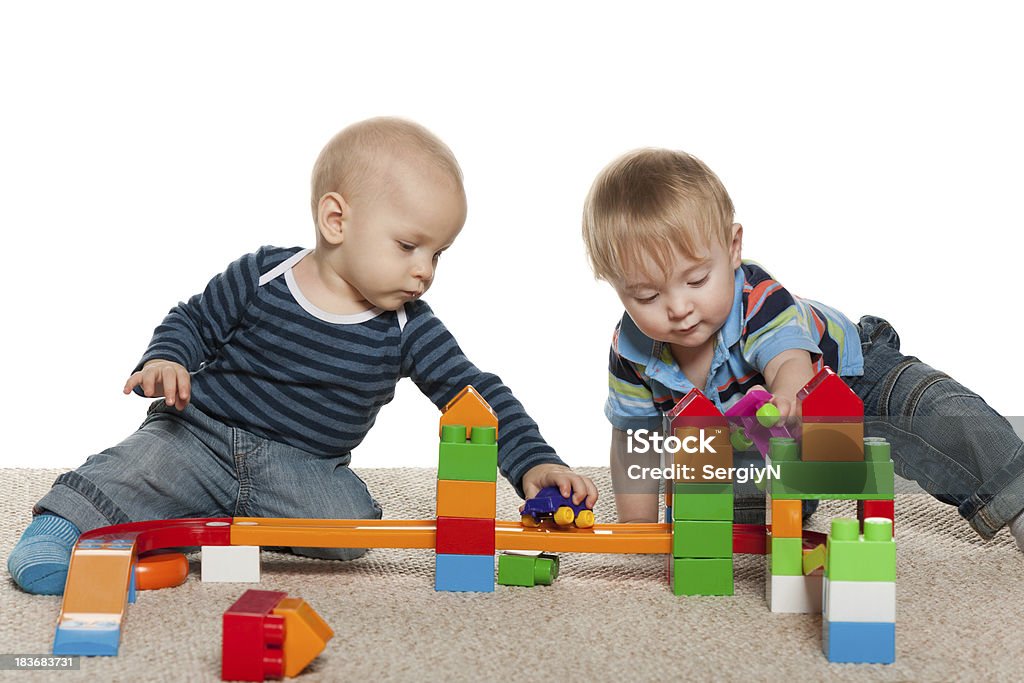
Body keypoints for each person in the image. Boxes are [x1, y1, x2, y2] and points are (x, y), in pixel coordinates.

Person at [7, 117, 598, 595]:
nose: (425, 270)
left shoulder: (407, 326)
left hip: (301, 465)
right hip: (200, 435)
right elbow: (192, 318)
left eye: (439, 253)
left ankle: (213, 526)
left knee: (355, 533)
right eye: (408, 245)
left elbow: (475, 392)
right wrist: (168, 361)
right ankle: (52, 535)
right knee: (135, 468)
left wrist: (534, 463)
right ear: (336, 219)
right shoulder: (263, 274)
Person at [581, 147, 1024, 551]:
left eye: (697, 280)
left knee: (934, 408)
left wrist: (790, 399)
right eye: (645, 296)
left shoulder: (758, 298)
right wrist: (635, 529)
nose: (678, 308)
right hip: (751, 432)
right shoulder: (632, 351)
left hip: (847, 377)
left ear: (733, 248)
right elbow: (633, 438)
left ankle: (1017, 495)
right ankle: (794, 493)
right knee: (723, 505)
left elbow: (789, 361)